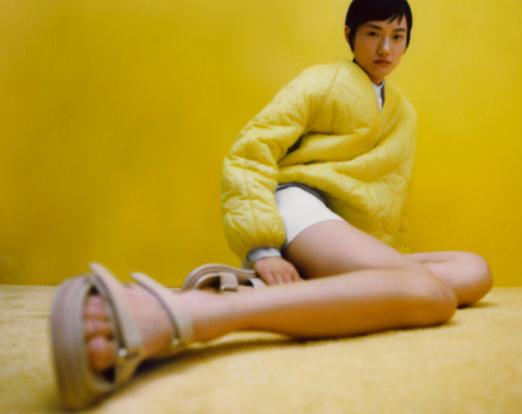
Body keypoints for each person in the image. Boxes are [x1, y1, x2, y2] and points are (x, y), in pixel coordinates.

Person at [50, 0, 493, 409]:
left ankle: (266, 291)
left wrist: (379, 275)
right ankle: (192, 313)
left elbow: (388, 195)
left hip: (337, 232)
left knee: (473, 272)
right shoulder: (320, 83)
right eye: (373, 33)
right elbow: (251, 152)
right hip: (298, 208)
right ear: (349, 35)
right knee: (432, 296)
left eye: (397, 37)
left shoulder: (403, 112)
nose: (385, 48)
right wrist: (262, 246)